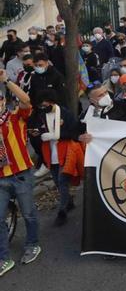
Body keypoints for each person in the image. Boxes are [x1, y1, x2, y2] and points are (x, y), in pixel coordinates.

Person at [0, 69, 41, 274]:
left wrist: (6, 80)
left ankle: (32, 244)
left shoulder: (15, 117)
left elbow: (26, 101)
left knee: (28, 213)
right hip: (0, 178)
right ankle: (3, 258)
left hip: (20, 174)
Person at [27, 89, 82, 226]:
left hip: (65, 151)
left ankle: (61, 212)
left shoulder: (65, 113)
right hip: (49, 153)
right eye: (41, 106)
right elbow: (37, 129)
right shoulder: (40, 114)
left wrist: (56, 136)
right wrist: (37, 134)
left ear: (52, 102)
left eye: (45, 105)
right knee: (58, 182)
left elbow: (74, 131)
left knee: (62, 181)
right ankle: (68, 201)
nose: (43, 108)